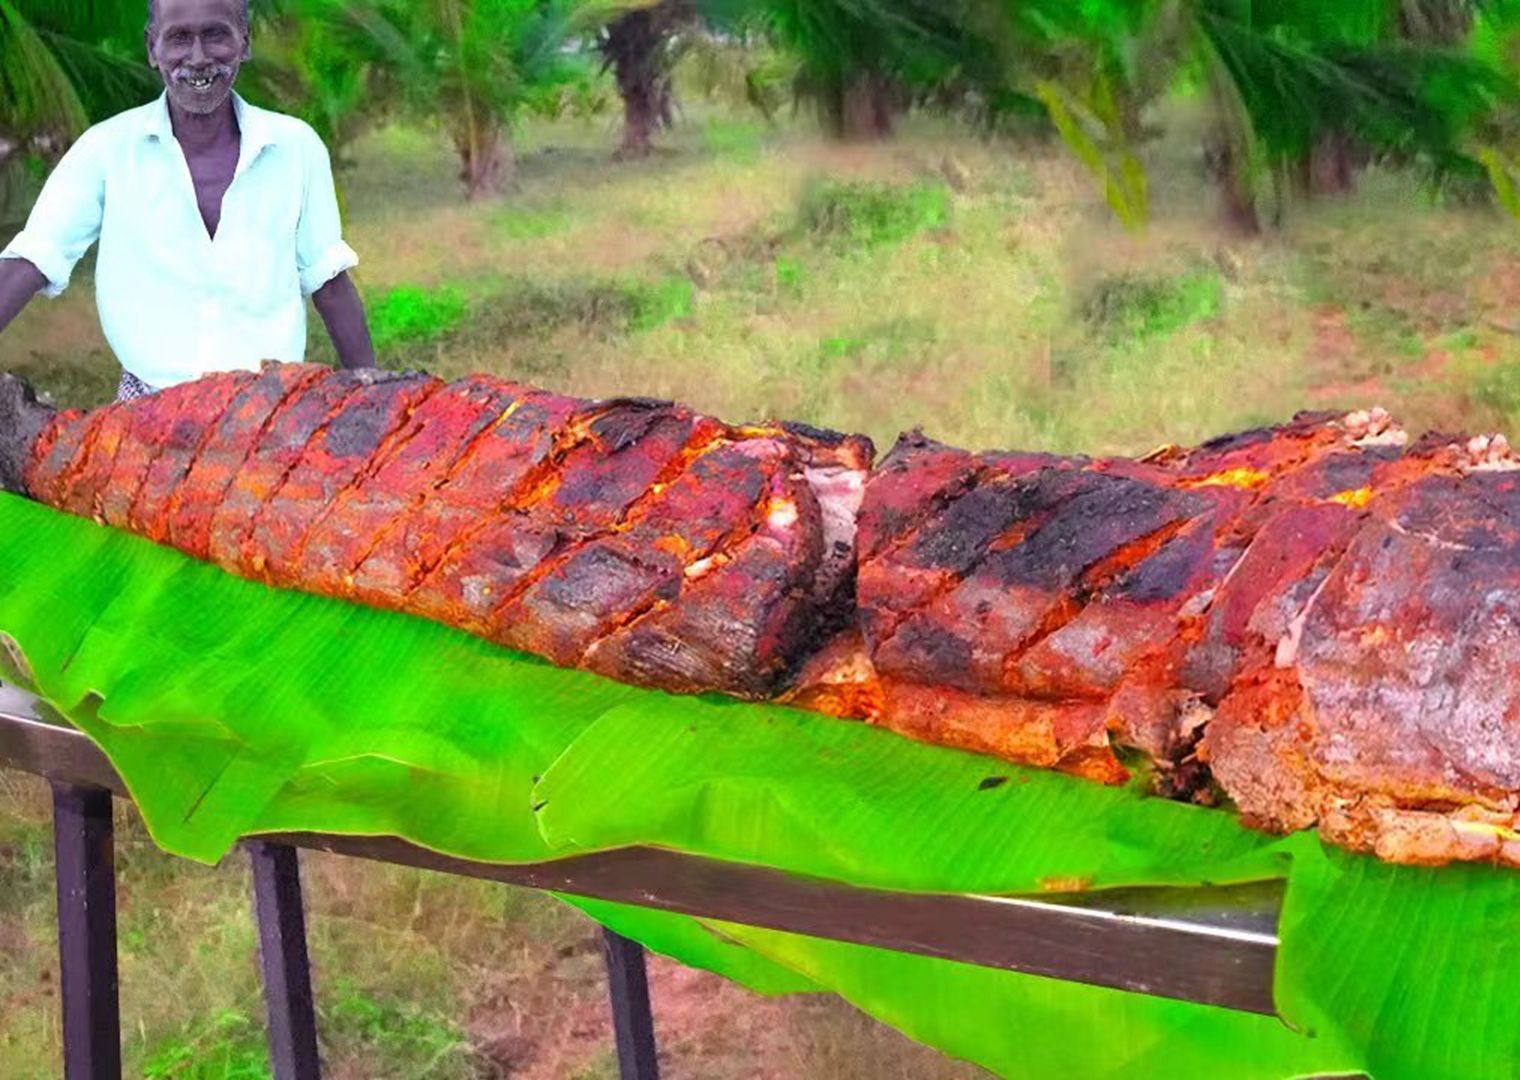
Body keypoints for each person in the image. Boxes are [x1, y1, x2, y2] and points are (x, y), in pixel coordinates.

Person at [0, 0, 376, 403]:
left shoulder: (296, 147)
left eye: (215, 34)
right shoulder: (106, 150)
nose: (198, 58)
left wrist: (374, 395)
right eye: (178, 38)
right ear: (152, 48)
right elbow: (33, 258)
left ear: (244, 43)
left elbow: (330, 283)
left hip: (271, 413)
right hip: (146, 410)